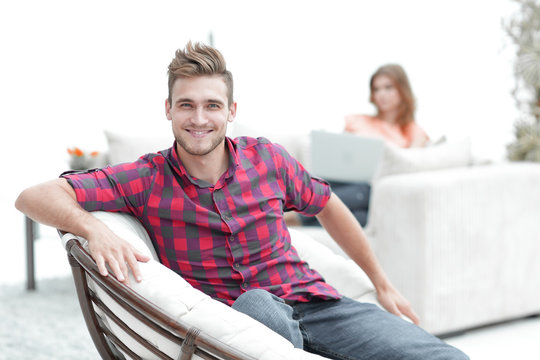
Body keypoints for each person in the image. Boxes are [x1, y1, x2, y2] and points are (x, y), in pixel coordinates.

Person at [15, 42, 467, 360]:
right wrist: (93, 228)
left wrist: (381, 283)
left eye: (212, 105)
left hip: (319, 304)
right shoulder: (146, 178)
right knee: (255, 302)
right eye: (186, 105)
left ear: (231, 111)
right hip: (247, 322)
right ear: (168, 109)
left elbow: (326, 203)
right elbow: (32, 196)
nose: (199, 118)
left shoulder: (267, 159)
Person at [345, 63, 429, 148]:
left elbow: (412, 159)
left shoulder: (414, 132)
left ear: (402, 90)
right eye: (376, 89)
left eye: (388, 87)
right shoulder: (357, 122)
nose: (381, 94)